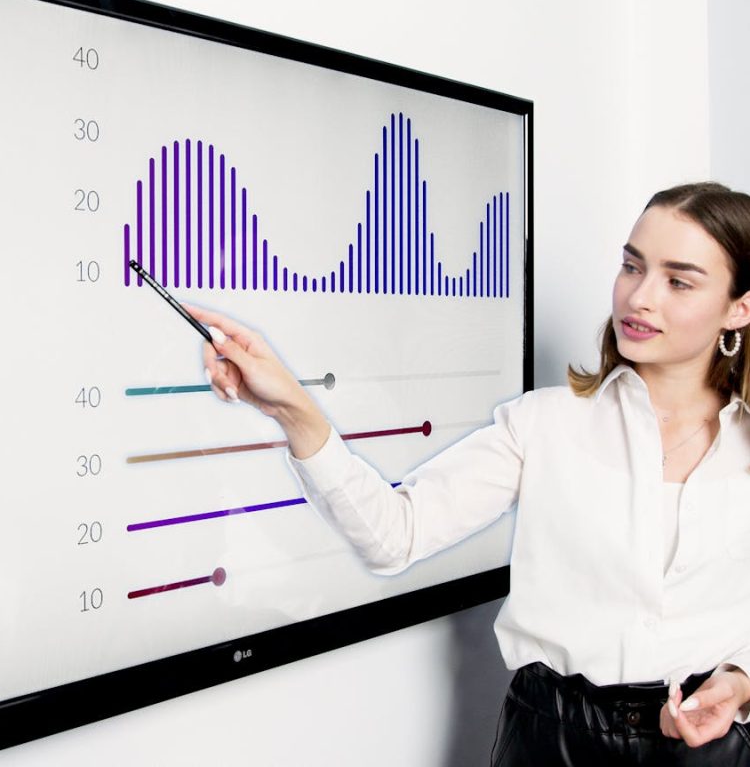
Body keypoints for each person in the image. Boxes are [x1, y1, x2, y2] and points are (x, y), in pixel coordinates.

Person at [186, 182, 750, 765]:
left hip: (710, 752)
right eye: (632, 267)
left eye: (678, 281)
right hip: (552, 744)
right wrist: (293, 410)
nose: (640, 297)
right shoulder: (545, 424)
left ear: (740, 306)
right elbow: (393, 536)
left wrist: (740, 680)